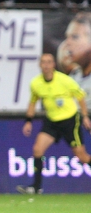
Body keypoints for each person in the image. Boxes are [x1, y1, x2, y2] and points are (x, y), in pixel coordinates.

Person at [17, 53, 91, 194]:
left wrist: (85, 116)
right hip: (51, 121)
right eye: (43, 62)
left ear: (53, 65)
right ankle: (36, 187)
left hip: (69, 120)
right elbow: (33, 101)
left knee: (82, 157)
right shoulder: (36, 83)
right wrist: (28, 121)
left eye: (49, 62)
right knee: (37, 150)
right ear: (40, 65)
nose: (46, 65)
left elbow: (80, 96)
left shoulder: (65, 80)